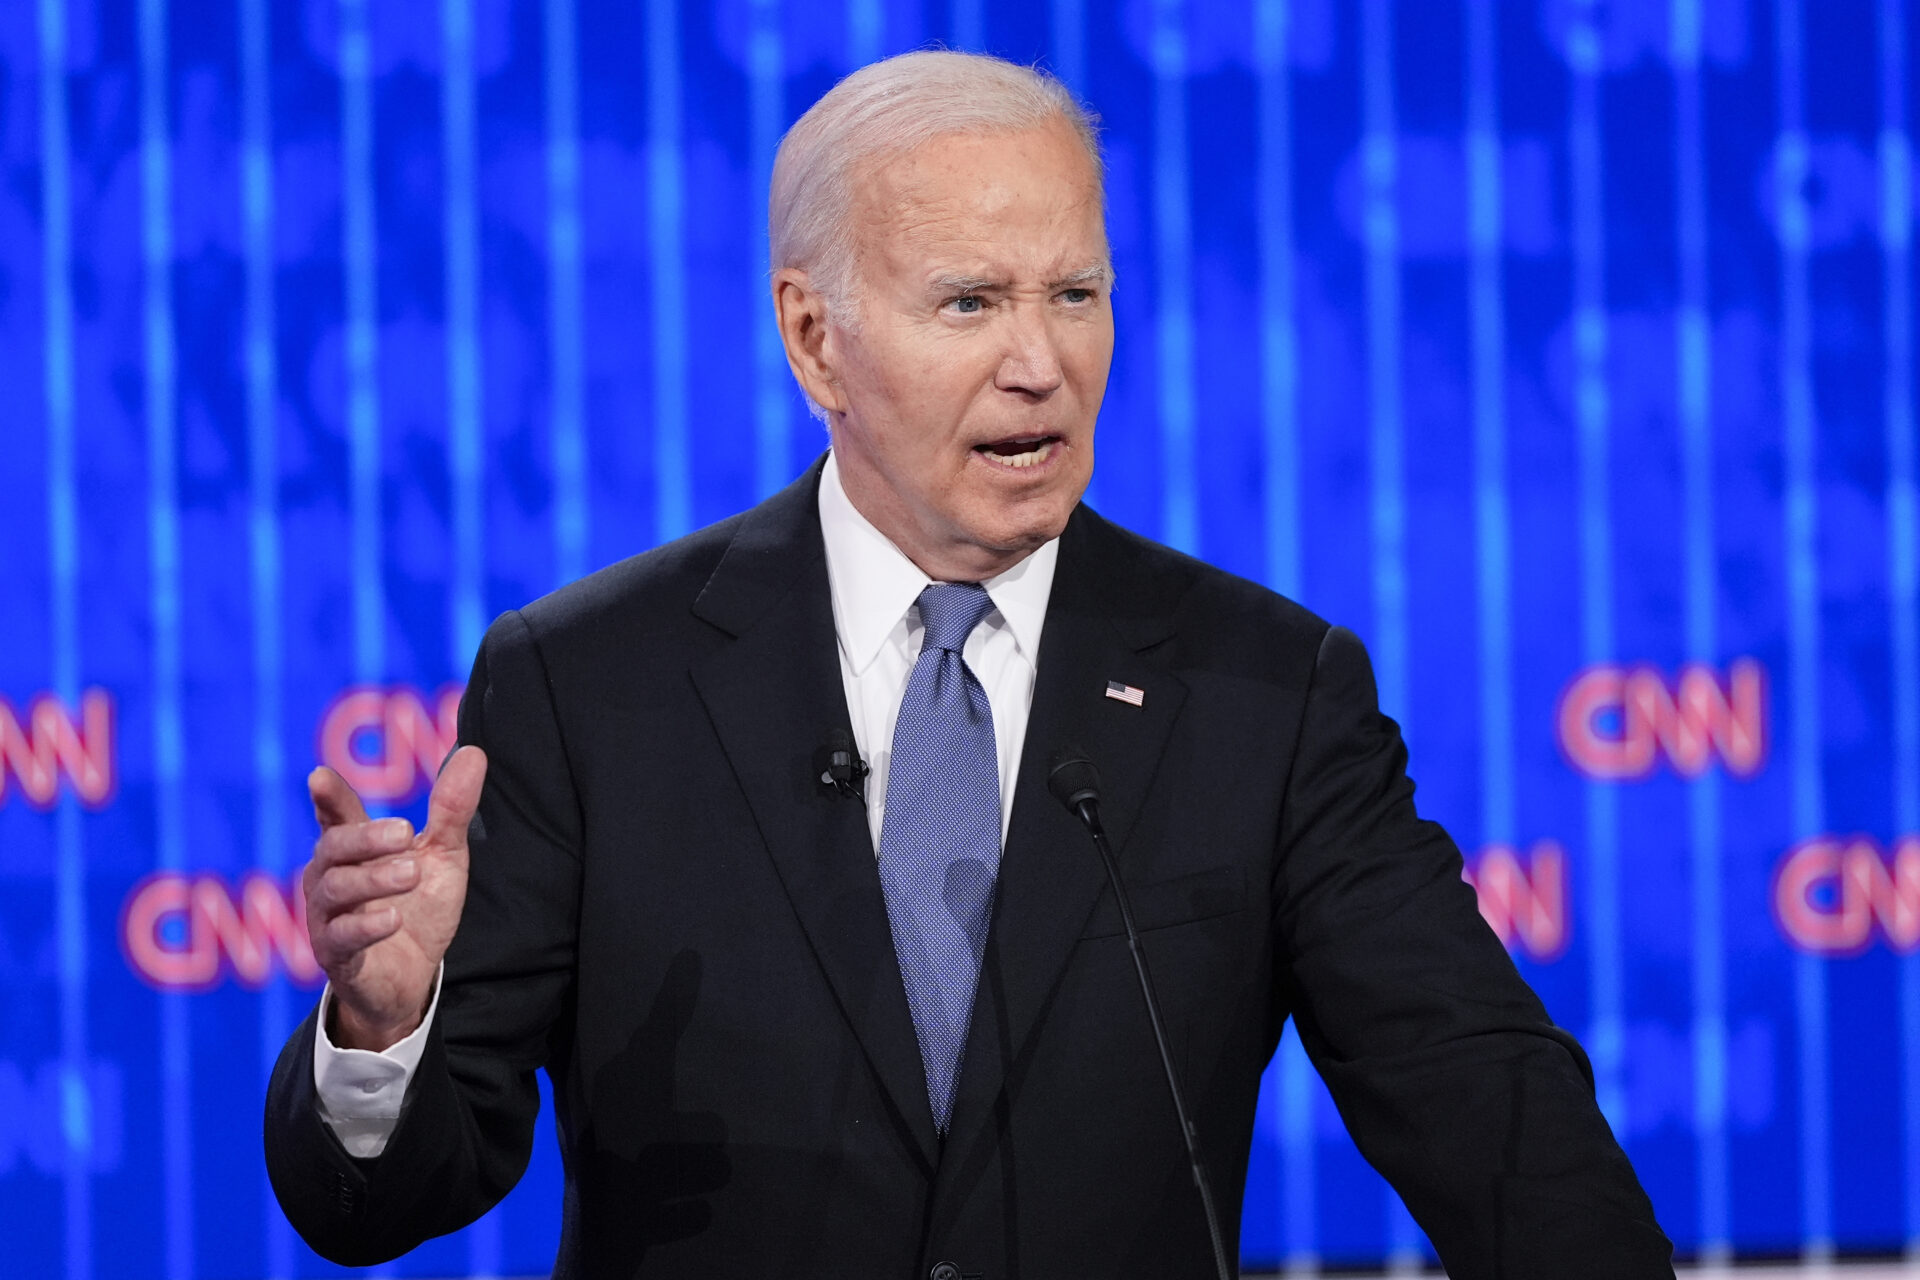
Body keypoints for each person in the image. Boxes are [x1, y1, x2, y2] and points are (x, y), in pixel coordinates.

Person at [264, 50, 1673, 1279]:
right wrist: (383, 1035)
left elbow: (1487, 1106)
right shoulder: (590, 685)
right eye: (970, 303)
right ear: (815, 336)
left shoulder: (1265, 691)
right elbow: (385, 1204)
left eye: (1076, 292)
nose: (1042, 362)